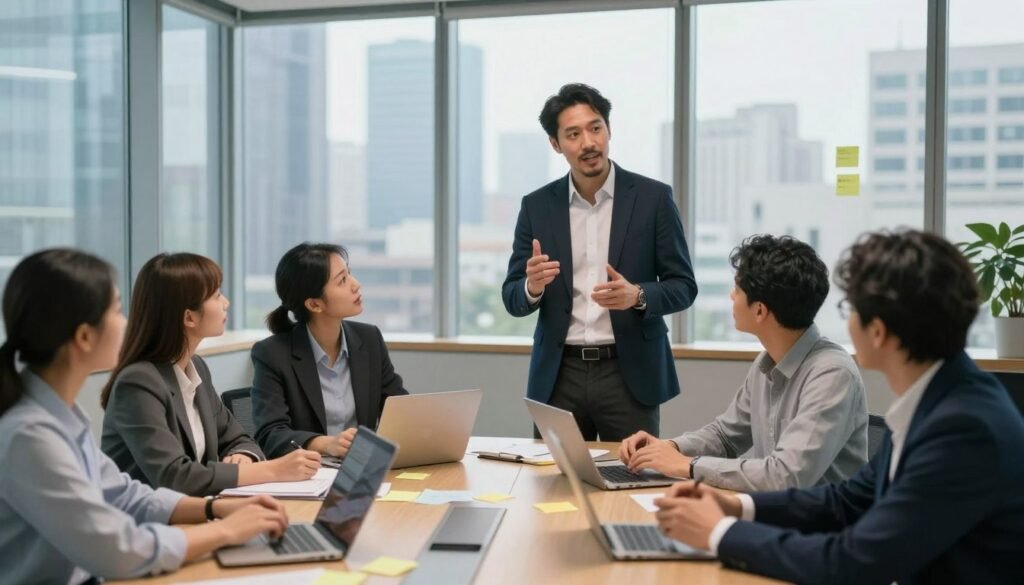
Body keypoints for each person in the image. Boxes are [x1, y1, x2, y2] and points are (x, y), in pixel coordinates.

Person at [654, 230, 1024, 585]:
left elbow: (850, 564)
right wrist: (736, 508)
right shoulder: (938, 400)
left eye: (850, 308)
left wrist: (720, 533)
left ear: (877, 331)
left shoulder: (962, 428)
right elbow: (846, 500)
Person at [0, 248, 288, 584]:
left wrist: (214, 509)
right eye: (117, 310)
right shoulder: (29, 436)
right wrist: (225, 531)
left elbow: (124, 494)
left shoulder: (61, 416)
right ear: (84, 337)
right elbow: (118, 550)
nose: (126, 322)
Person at [502, 83, 698, 441]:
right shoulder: (537, 206)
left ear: (609, 130)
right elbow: (512, 298)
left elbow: (684, 287)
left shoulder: (653, 199)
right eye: (573, 134)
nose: (588, 142)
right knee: (550, 486)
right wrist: (531, 287)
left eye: (595, 128)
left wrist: (637, 295)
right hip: (559, 375)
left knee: (632, 482)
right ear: (556, 144)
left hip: (629, 374)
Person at [619, 235, 867, 491]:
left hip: (820, 525)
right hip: (776, 514)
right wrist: (670, 448)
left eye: (737, 290)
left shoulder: (832, 374)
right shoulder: (768, 361)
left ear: (760, 311)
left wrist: (688, 465)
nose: (731, 296)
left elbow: (786, 476)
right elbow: (725, 436)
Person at [101, 253, 321, 496]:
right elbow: (175, 477)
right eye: (216, 295)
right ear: (189, 317)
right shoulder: (138, 383)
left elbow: (238, 437)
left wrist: (242, 456)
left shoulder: (196, 368)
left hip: (191, 512)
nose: (226, 302)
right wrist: (274, 470)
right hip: (144, 525)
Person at [251, 242, 408, 459]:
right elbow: (270, 434)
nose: (356, 285)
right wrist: (326, 444)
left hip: (362, 470)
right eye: (342, 280)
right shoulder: (272, 354)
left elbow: (399, 410)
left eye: (349, 274)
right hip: (309, 476)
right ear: (315, 304)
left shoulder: (369, 339)